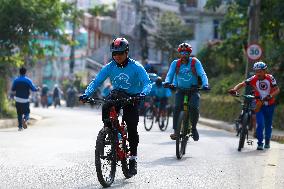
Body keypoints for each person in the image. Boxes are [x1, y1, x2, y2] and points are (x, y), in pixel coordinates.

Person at [79, 37, 151, 176]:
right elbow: (96, 82)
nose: (117, 56)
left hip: (133, 97)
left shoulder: (136, 66)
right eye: (115, 54)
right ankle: (111, 134)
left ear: (127, 52)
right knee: (106, 105)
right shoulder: (109, 67)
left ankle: (132, 159)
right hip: (117, 94)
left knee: (131, 126)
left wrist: (143, 93)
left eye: (120, 53)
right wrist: (86, 94)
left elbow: (147, 82)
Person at [229, 62, 280, 150]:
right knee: (260, 124)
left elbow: (277, 90)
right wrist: (234, 89)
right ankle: (260, 143)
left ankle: (267, 141)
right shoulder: (253, 78)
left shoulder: (270, 78)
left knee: (268, 124)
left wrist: (270, 96)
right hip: (259, 104)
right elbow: (242, 84)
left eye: (260, 71)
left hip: (270, 105)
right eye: (256, 72)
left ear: (264, 71)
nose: (258, 74)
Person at [164, 42, 209, 141]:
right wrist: (167, 82)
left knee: (193, 107)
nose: (184, 55)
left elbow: (202, 74)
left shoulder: (194, 62)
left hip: (193, 90)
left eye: (186, 53)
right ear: (179, 53)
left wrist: (205, 84)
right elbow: (170, 74)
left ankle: (193, 128)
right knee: (176, 108)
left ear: (189, 53)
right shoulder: (175, 63)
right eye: (182, 53)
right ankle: (176, 131)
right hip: (180, 90)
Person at [11, 67, 39, 131]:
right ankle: (25, 119)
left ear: (19, 72)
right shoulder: (28, 80)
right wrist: (37, 89)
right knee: (27, 113)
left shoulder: (16, 80)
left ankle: (20, 127)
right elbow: (33, 89)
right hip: (25, 100)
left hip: (17, 99)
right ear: (25, 72)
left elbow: (13, 89)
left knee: (19, 113)